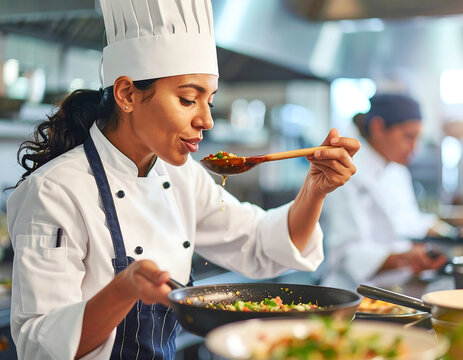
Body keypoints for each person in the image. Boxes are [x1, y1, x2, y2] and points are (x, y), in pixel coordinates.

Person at [6, 0, 360, 359]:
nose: (206, 120)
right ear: (127, 94)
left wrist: (315, 191)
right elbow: (39, 345)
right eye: (188, 99)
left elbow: (260, 244)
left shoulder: (180, 176)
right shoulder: (55, 191)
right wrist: (123, 290)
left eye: (210, 100)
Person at [320, 93, 449, 292]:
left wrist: (445, 232)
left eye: (418, 138)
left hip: (393, 290)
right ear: (378, 127)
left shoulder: (397, 170)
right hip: (350, 293)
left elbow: (406, 222)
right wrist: (404, 257)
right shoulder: (344, 171)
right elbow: (347, 254)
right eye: (408, 137)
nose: (415, 148)